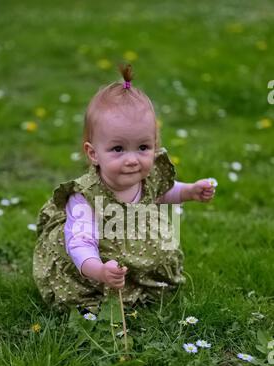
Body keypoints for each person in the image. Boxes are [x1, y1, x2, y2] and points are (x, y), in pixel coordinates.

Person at [33, 64, 215, 315]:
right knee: (87, 293)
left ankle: (144, 283)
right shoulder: (85, 197)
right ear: (93, 153)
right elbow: (80, 242)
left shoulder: (148, 177)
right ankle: (105, 294)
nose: (132, 159)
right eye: (118, 149)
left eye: (143, 147)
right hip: (96, 265)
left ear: (155, 144)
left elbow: (161, 193)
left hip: (136, 255)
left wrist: (190, 192)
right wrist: (99, 270)